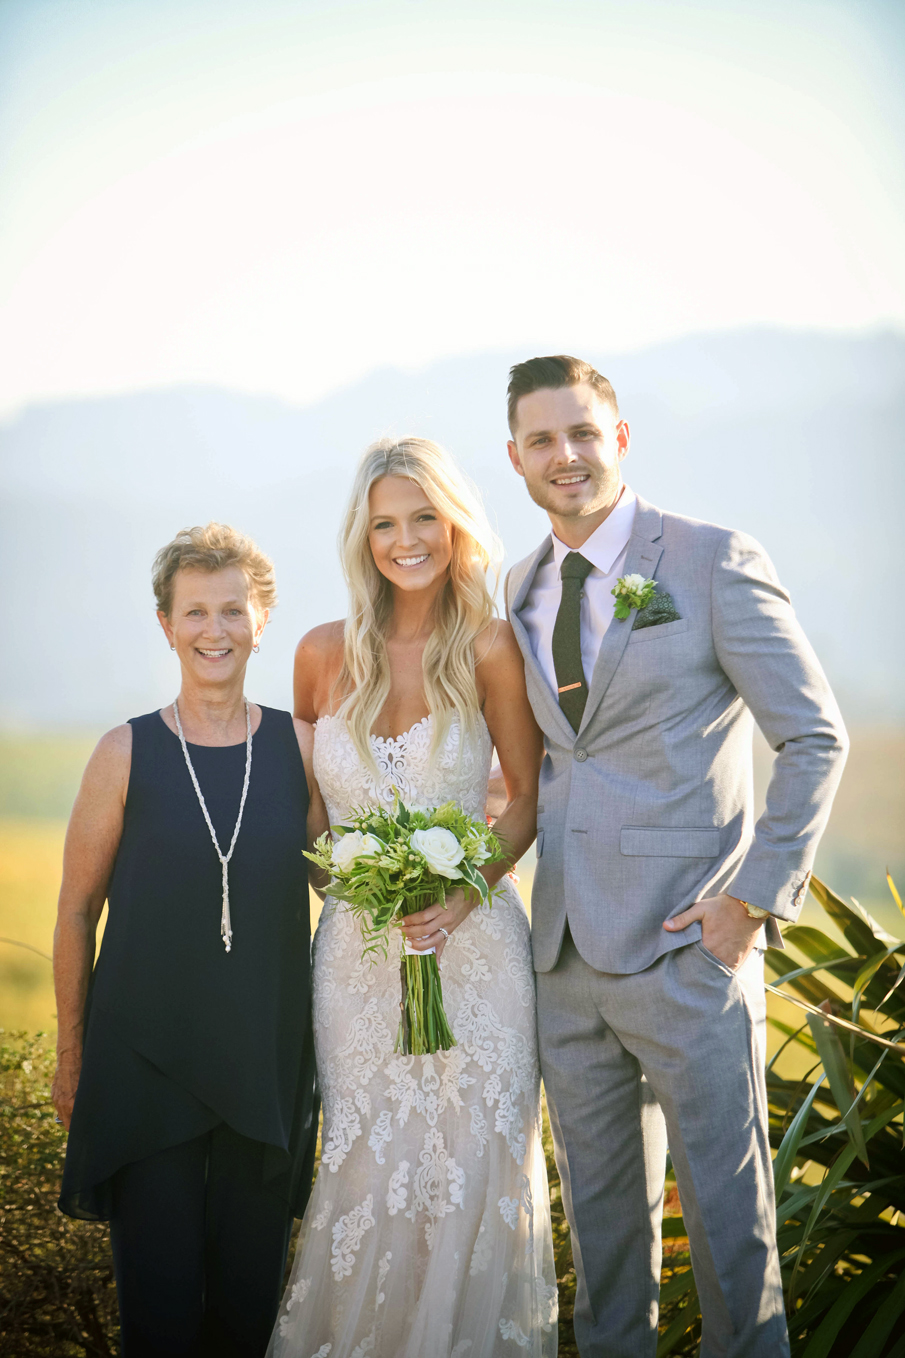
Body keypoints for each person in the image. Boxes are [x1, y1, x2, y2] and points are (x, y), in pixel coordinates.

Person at [503, 356, 848, 1358]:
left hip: (688, 950)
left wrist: (748, 900)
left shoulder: (707, 559)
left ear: (617, 436)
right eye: (540, 439)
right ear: (515, 456)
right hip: (562, 962)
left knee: (732, 1248)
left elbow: (814, 736)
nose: (563, 455)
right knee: (605, 1258)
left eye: (580, 432)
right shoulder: (517, 583)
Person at [269, 438, 557, 1358]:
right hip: (354, 961)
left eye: (424, 517)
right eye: (385, 522)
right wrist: (349, 885)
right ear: (363, 535)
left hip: (476, 957)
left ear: (454, 524)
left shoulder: (489, 647)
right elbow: (311, 817)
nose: (406, 539)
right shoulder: (319, 654)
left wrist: (465, 895)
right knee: (362, 1170)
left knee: (476, 1171)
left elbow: (528, 797)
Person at [53, 523, 326, 1358]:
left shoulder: (302, 749)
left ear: (262, 620)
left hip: (263, 1063)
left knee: (246, 1317)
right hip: (143, 1064)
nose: (215, 631)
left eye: (233, 611)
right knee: (160, 1320)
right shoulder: (123, 751)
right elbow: (74, 911)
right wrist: (72, 1056)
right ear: (166, 624)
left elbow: (345, 887)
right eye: (196, 612)